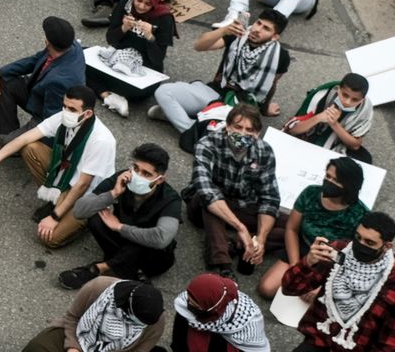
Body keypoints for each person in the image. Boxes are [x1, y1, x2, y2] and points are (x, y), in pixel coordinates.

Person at [0, 85, 118, 249]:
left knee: (49, 238)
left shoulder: (102, 141)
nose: (66, 111)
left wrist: (55, 217)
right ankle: (57, 200)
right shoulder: (65, 117)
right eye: (64, 106)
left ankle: (87, 219)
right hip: (66, 175)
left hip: (86, 195)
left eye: (72, 109)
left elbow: (83, 185)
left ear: (87, 113)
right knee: (31, 148)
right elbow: (25, 138)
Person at [279, 212, 395, 352]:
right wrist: (308, 261)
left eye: (369, 243)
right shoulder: (339, 251)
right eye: (357, 237)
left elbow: (387, 345)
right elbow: (289, 288)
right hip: (318, 341)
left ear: (387, 246)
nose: (360, 245)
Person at [58, 142, 184, 289]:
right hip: (122, 244)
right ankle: (132, 273)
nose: (138, 176)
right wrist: (113, 193)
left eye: (147, 174)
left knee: (147, 240)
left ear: (160, 179)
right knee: (96, 216)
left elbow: (161, 238)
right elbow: (79, 211)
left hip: (151, 256)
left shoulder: (170, 199)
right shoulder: (122, 178)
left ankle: (100, 268)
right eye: (136, 169)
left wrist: (119, 227)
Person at [152, 11, 293, 133]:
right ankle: (190, 128)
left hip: (242, 106)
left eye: (266, 28)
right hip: (215, 92)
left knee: (236, 133)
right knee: (163, 91)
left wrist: (265, 108)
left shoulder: (281, 56)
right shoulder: (238, 35)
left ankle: (181, 117)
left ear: (275, 36)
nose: (257, 29)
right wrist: (223, 31)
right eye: (258, 23)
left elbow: (271, 84)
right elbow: (199, 46)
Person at [184, 104, 282, 276]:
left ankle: (237, 244)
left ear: (257, 133)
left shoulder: (264, 151)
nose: (242, 133)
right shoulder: (207, 144)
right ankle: (223, 265)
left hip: (243, 203)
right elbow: (206, 189)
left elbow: (270, 198)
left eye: (249, 129)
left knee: (291, 227)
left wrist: (261, 238)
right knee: (209, 200)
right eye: (238, 127)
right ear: (227, 126)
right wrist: (241, 228)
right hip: (207, 204)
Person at [259, 156, 369, 298]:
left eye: (336, 180)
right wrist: (295, 266)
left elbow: (355, 256)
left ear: (349, 186)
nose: (329, 182)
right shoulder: (310, 193)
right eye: (328, 176)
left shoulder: (360, 214)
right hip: (303, 247)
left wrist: (322, 289)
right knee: (267, 289)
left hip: (333, 260)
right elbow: (292, 229)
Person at [0, 17, 87, 151]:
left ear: (48, 42)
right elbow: (34, 60)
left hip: (48, 110)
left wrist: (15, 142)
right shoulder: (69, 46)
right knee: (4, 80)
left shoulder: (59, 81)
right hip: (41, 90)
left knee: (10, 144)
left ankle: (12, 144)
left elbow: (47, 121)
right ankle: (9, 132)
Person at [19, 277, 166, 352]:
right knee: (37, 347)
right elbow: (73, 317)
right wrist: (73, 347)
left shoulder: (156, 322)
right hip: (77, 333)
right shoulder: (99, 286)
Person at [168, 274, 270, 352]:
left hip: (231, 346)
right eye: (189, 300)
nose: (188, 303)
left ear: (213, 308)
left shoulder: (247, 320)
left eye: (194, 304)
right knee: (183, 314)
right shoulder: (214, 299)